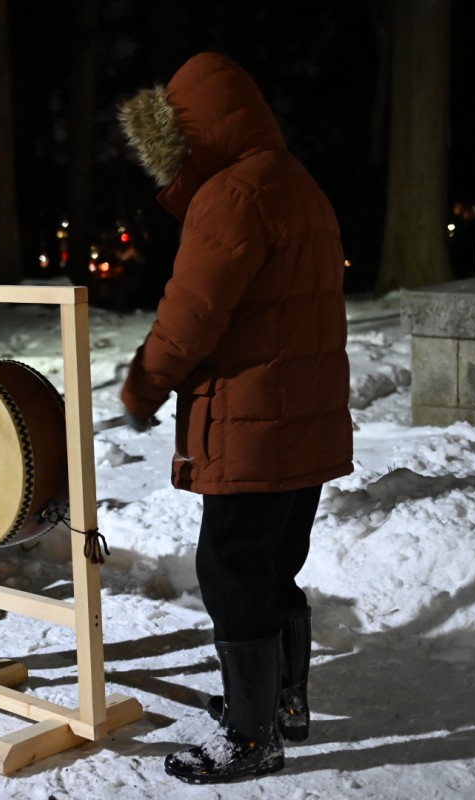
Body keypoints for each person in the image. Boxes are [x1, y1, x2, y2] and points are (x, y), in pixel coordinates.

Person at [117, 52, 354, 783]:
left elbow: (192, 315)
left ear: (195, 130)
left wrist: (143, 386)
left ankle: (252, 739)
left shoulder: (233, 195)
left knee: (230, 574)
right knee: (273, 568)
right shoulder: (299, 185)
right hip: (302, 425)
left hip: (254, 429)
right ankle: (281, 707)